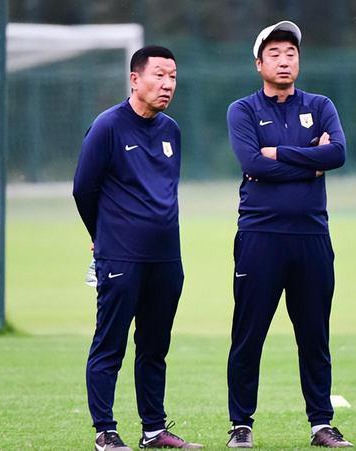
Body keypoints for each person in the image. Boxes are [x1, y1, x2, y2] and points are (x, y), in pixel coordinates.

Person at [225, 21, 353, 449]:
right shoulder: (243, 110)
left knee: (314, 336)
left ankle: (321, 424)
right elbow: (252, 164)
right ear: (259, 64)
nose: (284, 60)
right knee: (249, 335)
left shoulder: (320, 104)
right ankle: (240, 424)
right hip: (260, 237)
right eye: (275, 54)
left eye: (291, 53)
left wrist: (278, 153)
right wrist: (310, 161)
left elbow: (337, 153)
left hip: (311, 236)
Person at [73, 45, 202, 451]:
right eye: (159, 75)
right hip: (120, 256)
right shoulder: (108, 126)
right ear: (135, 79)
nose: (167, 84)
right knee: (109, 344)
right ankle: (105, 431)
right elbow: (83, 189)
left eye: (173, 77)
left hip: (166, 257)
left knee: (154, 346)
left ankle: (153, 430)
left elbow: (165, 191)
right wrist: (102, 235)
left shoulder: (171, 130)